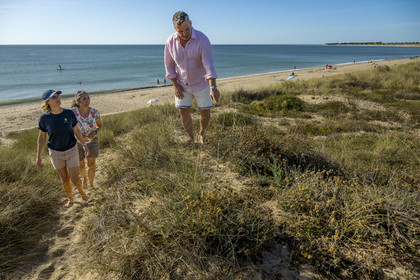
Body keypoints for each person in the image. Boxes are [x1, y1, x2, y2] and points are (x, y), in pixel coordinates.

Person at [164, 11, 220, 144]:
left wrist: (213, 87)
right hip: (182, 84)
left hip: (201, 83)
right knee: (183, 111)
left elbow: (209, 65)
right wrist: (175, 85)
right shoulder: (170, 42)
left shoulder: (202, 39)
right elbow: (169, 65)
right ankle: (190, 137)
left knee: (205, 112)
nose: (184, 33)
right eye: (180, 31)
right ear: (175, 29)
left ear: (191, 23)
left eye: (187, 29)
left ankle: (202, 133)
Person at [36, 89, 90, 208]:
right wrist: (38, 156)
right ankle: (70, 199)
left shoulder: (68, 113)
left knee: (75, 178)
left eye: (57, 96)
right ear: (47, 102)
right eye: (53, 97)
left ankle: (81, 192)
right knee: (64, 179)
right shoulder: (44, 119)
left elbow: (76, 130)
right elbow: (41, 138)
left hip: (71, 150)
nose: (57, 98)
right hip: (55, 153)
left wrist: (84, 144)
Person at [71, 91, 102, 189]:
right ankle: (84, 178)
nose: (87, 100)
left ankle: (91, 184)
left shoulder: (95, 112)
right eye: (84, 99)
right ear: (78, 101)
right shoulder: (72, 113)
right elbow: (68, 128)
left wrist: (95, 132)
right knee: (81, 166)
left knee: (91, 164)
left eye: (88, 98)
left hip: (92, 142)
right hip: (77, 143)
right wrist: (79, 135)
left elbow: (99, 125)